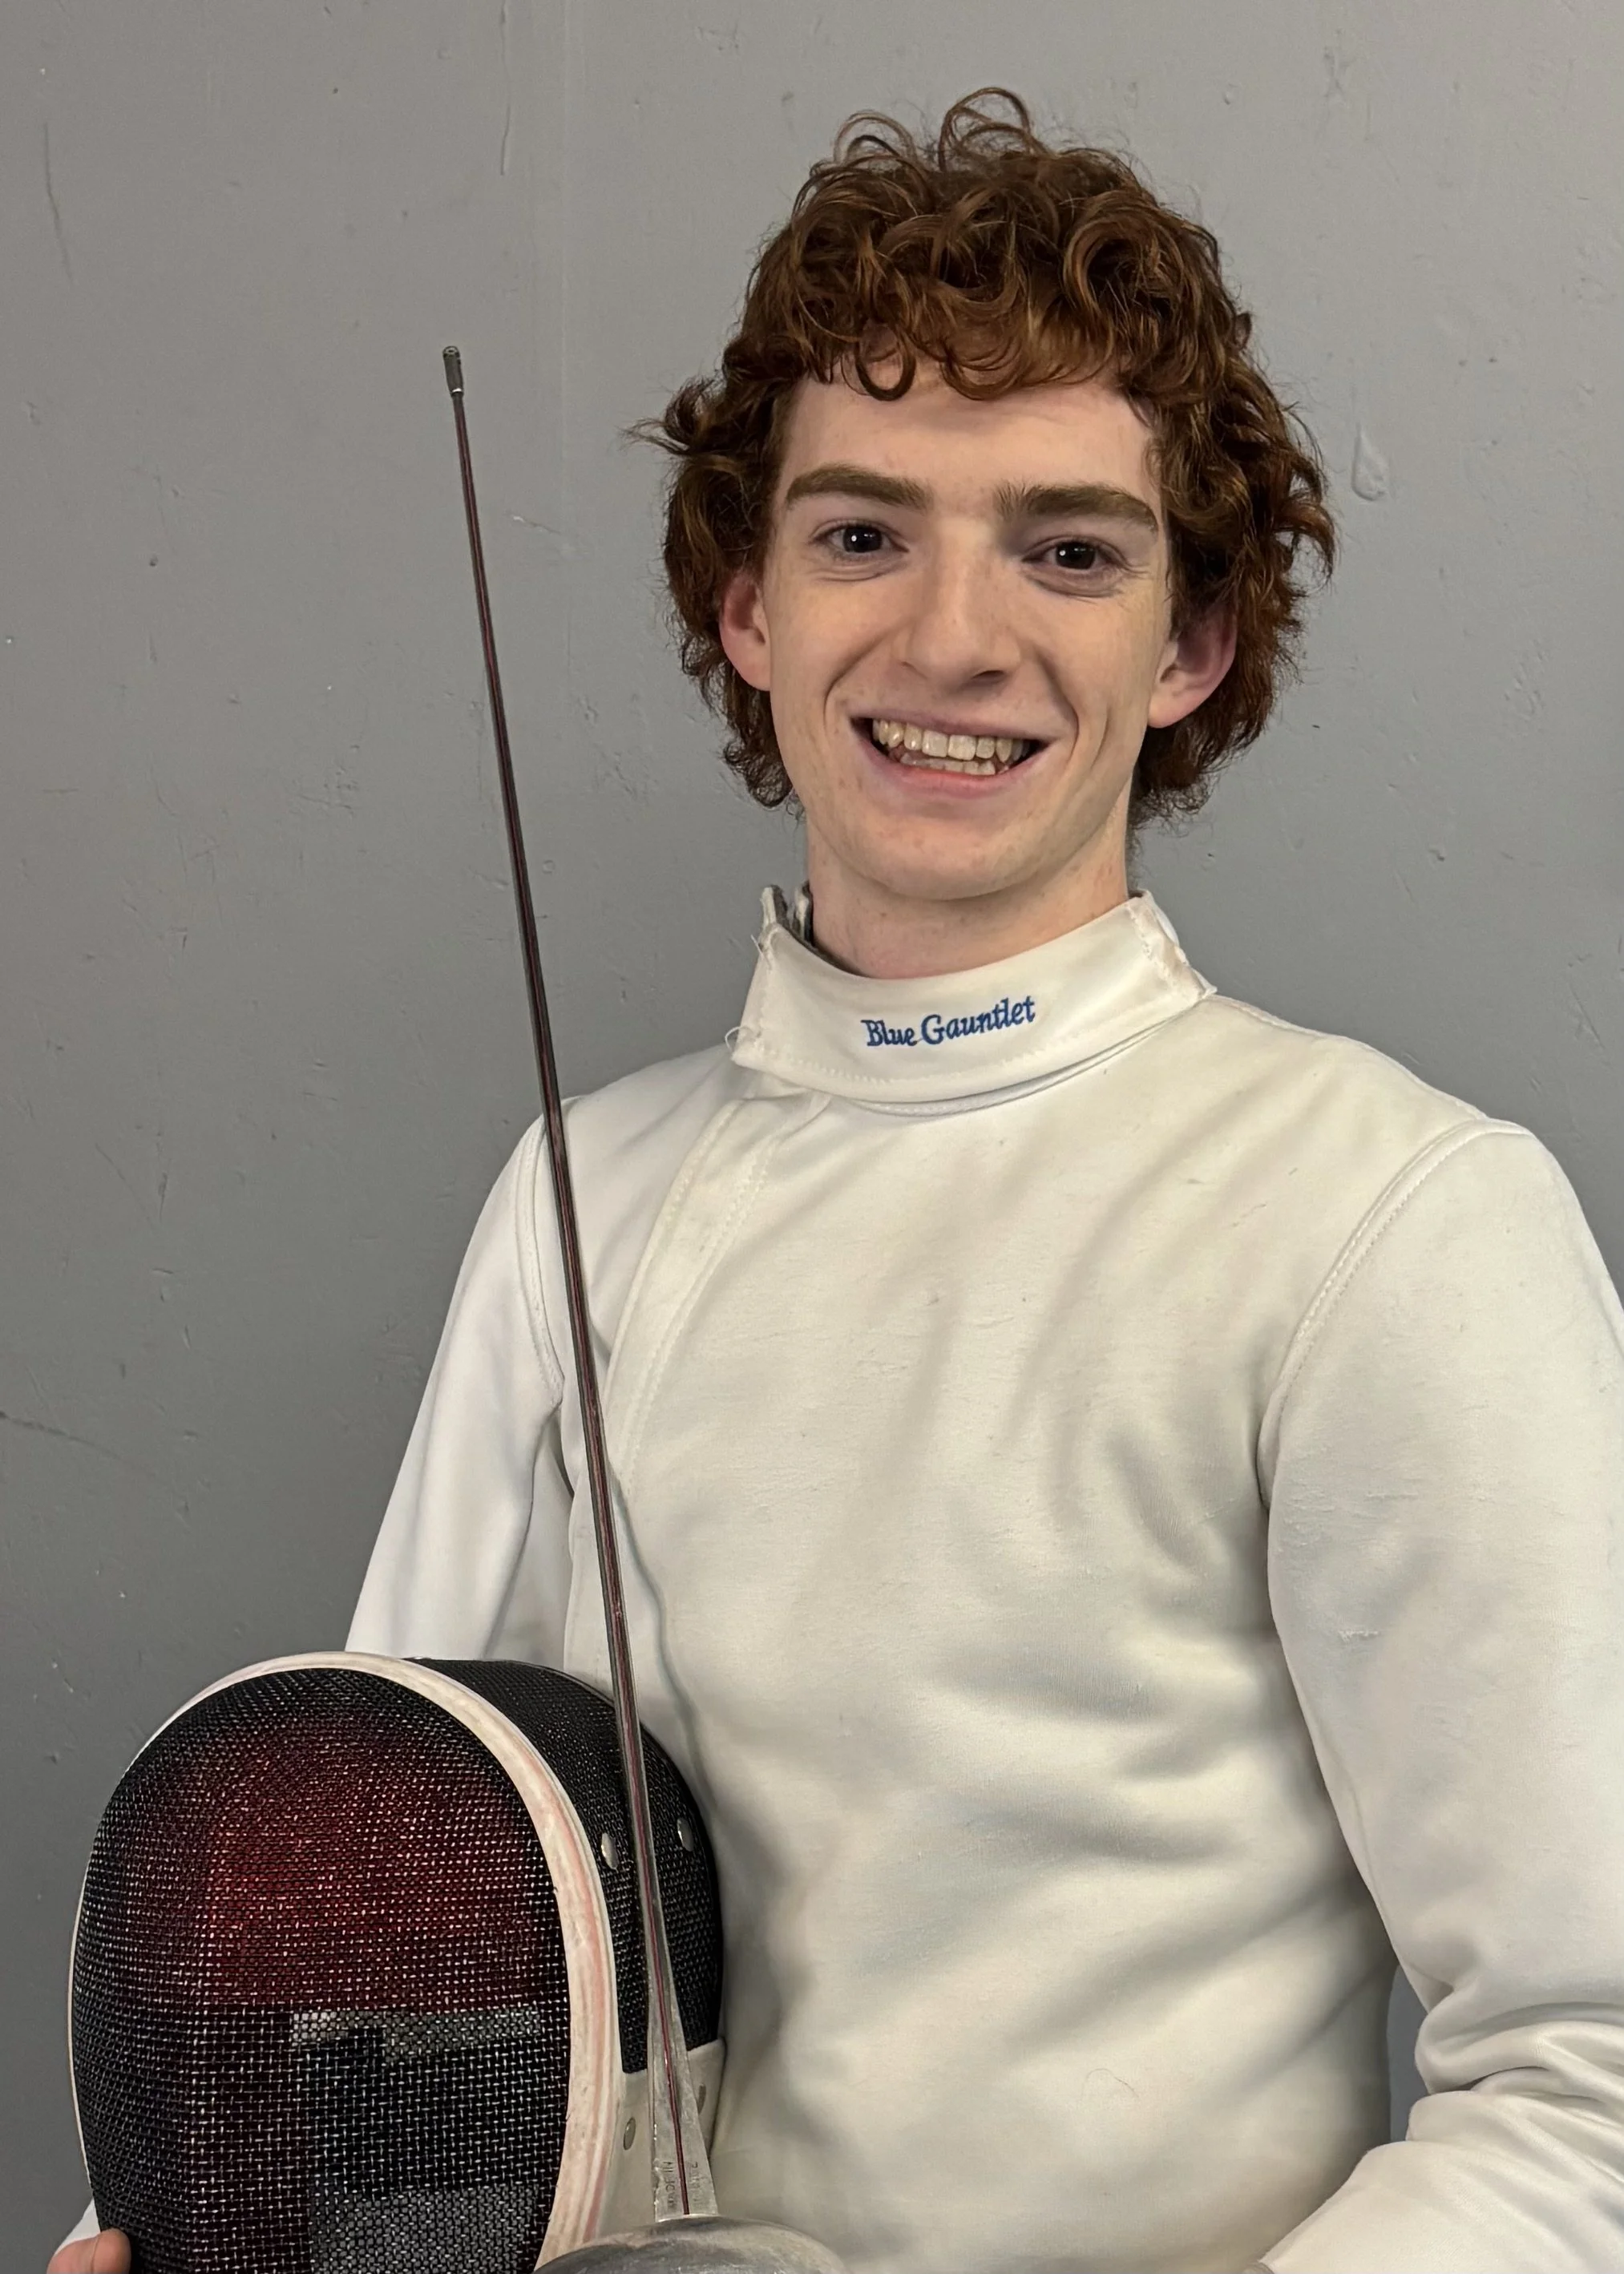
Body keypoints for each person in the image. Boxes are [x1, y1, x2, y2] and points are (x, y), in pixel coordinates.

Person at [55, 89, 1624, 2274]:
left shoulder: (1388, 1219)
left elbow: (1589, 2071)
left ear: (1191, 645)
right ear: (749, 609)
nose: (955, 638)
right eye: (865, 534)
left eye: (1067, 548)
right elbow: (364, 1922)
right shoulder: (576, 1194)